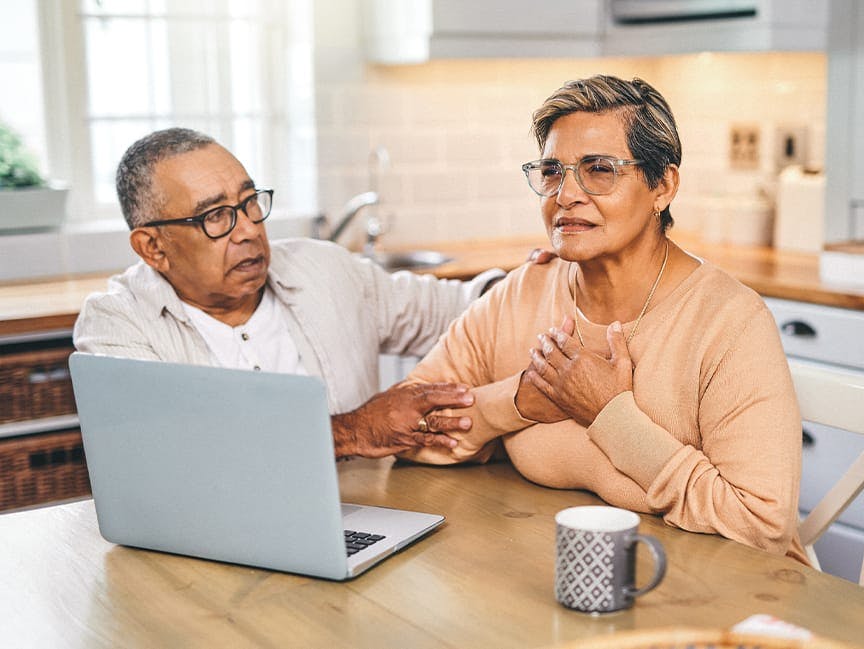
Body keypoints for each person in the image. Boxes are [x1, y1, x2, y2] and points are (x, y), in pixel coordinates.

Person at [400, 75, 809, 563]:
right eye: (553, 171)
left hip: (722, 603)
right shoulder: (524, 293)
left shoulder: (730, 323)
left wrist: (607, 413)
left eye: (599, 170)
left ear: (663, 185)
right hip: (562, 575)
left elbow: (760, 527)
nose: (566, 194)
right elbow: (404, 430)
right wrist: (519, 401)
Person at [73, 127, 529, 459]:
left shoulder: (321, 268)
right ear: (153, 247)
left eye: (250, 202)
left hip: (363, 520)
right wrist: (353, 431)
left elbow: (457, 309)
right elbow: (176, 447)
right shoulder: (116, 325)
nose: (249, 229)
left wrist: (534, 281)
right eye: (215, 217)